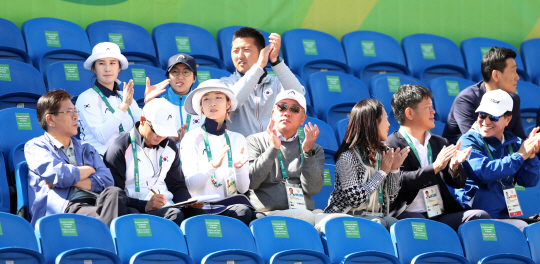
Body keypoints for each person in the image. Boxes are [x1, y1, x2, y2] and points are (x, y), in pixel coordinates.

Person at [386, 84, 491, 232]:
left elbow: (457, 183)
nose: (433, 111)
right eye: (427, 107)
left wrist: (454, 167)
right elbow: (399, 181)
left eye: (432, 106)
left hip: (440, 214)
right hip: (408, 214)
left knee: (479, 216)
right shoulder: (392, 145)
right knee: (419, 222)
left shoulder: (439, 142)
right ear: (409, 113)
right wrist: (435, 167)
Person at [25, 90, 128, 227]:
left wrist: (70, 180)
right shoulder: (35, 147)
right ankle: (106, 240)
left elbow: (107, 181)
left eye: (75, 111)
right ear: (50, 119)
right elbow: (60, 175)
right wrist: (89, 170)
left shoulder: (87, 147)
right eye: (69, 112)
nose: (76, 117)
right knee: (121, 218)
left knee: (116, 194)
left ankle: (104, 239)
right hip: (65, 208)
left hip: (96, 202)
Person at [103, 98, 206, 226]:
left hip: (168, 206)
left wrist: (189, 202)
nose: (161, 136)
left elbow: (177, 186)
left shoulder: (171, 147)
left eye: (165, 132)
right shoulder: (119, 148)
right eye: (157, 131)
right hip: (136, 209)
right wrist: (145, 205)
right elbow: (114, 197)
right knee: (174, 216)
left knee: (199, 217)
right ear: (142, 121)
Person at [455, 89, 540, 230]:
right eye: (482, 114)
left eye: (493, 117)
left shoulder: (515, 143)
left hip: (504, 214)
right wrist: (520, 156)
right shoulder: (467, 141)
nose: (486, 121)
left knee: (526, 229)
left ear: (508, 119)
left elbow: (529, 181)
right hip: (475, 216)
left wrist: (531, 155)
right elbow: (484, 172)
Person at [181, 80, 258, 225]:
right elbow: (190, 186)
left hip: (226, 205)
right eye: (206, 99)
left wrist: (239, 168)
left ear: (228, 104)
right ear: (201, 107)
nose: (213, 103)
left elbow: (243, 188)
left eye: (218, 97)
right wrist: (212, 166)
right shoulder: (191, 137)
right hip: (199, 207)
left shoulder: (238, 139)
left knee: (244, 212)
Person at [324, 99, 409, 230]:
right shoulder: (348, 157)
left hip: (377, 215)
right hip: (347, 216)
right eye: (385, 118)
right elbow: (355, 199)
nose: (389, 124)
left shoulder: (383, 153)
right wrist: (382, 173)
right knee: (378, 225)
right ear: (374, 123)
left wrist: (394, 170)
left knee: (397, 225)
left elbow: (391, 197)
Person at [248, 90, 327, 226]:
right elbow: (252, 182)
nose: (287, 112)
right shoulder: (254, 141)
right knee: (306, 217)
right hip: (266, 213)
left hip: (304, 211)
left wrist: (307, 152)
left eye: (295, 109)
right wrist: (273, 148)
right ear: (273, 112)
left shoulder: (314, 148)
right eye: (282, 107)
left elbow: (312, 189)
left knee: (335, 222)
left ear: (303, 119)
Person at [220, 27, 305, 137]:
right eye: (235, 51)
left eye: (246, 50)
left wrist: (275, 60)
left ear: (262, 52)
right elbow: (233, 102)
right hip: (242, 152)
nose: (240, 56)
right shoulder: (225, 84)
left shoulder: (276, 83)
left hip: (274, 150)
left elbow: (298, 95)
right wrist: (259, 66)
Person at [443, 46, 525, 144]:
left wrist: (533, 143)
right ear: (496, 75)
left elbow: (518, 138)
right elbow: (477, 142)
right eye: (513, 71)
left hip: (502, 155)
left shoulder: (513, 99)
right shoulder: (467, 99)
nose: (517, 77)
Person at [76, 42, 142, 155]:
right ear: (94, 68)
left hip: (128, 162)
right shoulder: (86, 98)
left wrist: (149, 102)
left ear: (119, 67)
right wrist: (124, 106)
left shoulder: (124, 96)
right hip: (99, 163)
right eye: (101, 63)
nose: (107, 69)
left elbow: (142, 129)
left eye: (112, 63)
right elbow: (102, 136)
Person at [143, 53, 205, 145]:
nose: (180, 77)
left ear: (194, 78)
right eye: (175, 72)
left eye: (186, 72)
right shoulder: (158, 104)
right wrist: (148, 104)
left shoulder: (202, 106)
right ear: (168, 77)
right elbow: (145, 138)